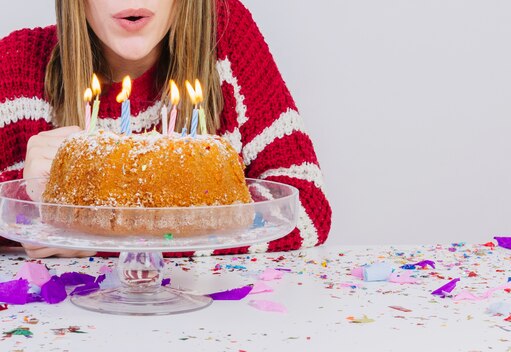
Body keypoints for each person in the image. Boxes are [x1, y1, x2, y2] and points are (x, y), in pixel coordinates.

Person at [0, 0, 331, 258]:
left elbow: (308, 209)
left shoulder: (223, 36)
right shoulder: (17, 66)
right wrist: (22, 196)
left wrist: (102, 240)